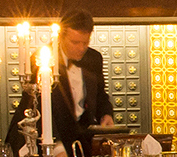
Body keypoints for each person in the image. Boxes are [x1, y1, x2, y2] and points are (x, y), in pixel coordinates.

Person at [11, 10, 119, 149]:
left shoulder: (94, 58)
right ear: (61, 36)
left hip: (82, 139)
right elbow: (36, 107)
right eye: (75, 42)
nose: (81, 48)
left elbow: (100, 95)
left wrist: (106, 114)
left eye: (85, 42)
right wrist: (56, 146)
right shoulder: (41, 59)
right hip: (50, 138)